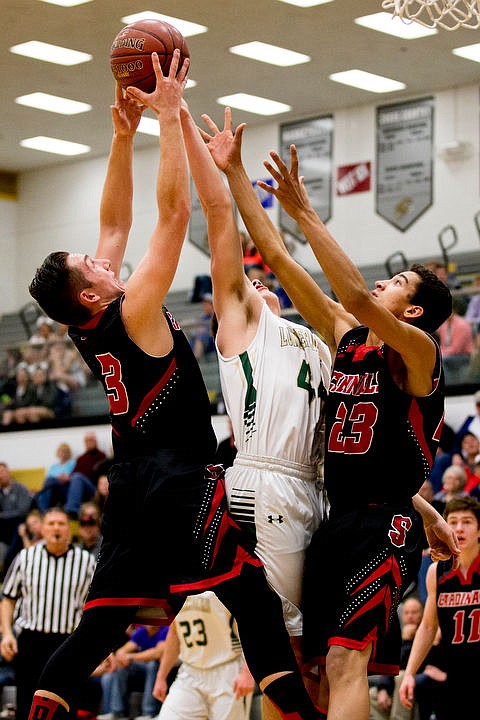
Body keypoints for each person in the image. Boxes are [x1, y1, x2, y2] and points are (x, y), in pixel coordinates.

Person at [26, 54, 323, 720]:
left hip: (130, 483)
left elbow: (113, 225)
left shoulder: (87, 320)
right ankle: (300, 712)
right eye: (93, 265)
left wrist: (121, 133)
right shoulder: (132, 307)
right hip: (178, 476)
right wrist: (166, 116)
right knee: (251, 596)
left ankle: (38, 708)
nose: (104, 256)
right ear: (94, 290)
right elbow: (171, 214)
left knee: (98, 630)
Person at [199, 111, 460, 720]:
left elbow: (352, 296)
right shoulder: (350, 337)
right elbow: (278, 261)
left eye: (397, 281)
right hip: (332, 517)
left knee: (346, 662)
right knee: (307, 668)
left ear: (415, 313)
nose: (381, 283)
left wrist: (307, 213)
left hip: (382, 525)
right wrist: (235, 172)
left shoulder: (419, 355)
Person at [183, 105, 331, 718]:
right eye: (248, 280)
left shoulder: (319, 339)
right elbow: (225, 230)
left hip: (316, 489)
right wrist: (185, 124)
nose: (256, 283)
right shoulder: (243, 324)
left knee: (319, 655)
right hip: (265, 483)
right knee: (284, 652)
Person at [0, 507, 97, 720]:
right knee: (28, 704)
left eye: (61, 523)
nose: (56, 528)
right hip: (31, 641)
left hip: (68, 642)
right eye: (51, 523)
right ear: (42, 529)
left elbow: (95, 606)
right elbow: (8, 600)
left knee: (66, 705)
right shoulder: (25, 558)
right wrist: (7, 634)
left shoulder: (86, 562)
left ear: (69, 529)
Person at [399, 496, 480, 719]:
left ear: (479, 530)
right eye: (452, 522)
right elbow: (427, 626)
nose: (459, 527)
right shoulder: (437, 571)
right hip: (452, 669)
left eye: (467, 522)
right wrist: (409, 673)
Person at [153, 591, 254, 720]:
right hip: (190, 672)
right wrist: (161, 677)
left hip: (228, 671)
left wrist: (248, 671)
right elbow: (174, 632)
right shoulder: (175, 589)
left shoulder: (224, 580)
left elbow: (252, 625)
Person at [100, 624, 168, 720]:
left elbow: (157, 653)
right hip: (141, 668)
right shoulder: (142, 631)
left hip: (159, 668)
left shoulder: (165, 630)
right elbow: (120, 652)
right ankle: (117, 712)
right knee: (121, 667)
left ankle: (148, 713)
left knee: (152, 665)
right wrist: (123, 658)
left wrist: (130, 657)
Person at [0, 462, 33, 578]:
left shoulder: (20, 488)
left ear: (8, 473)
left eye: (2, 472)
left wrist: (3, 515)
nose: (1, 475)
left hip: (19, 524)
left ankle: (7, 567)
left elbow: (22, 511)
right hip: (4, 527)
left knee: (20, 528)